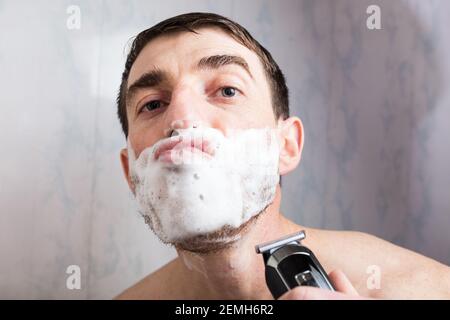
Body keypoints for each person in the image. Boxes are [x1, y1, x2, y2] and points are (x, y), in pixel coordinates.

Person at [115, 12, 450, 299]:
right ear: (131, 173)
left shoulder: (416, 288)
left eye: (227, 91)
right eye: (153, 104)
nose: (180, 119)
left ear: (286, 146)